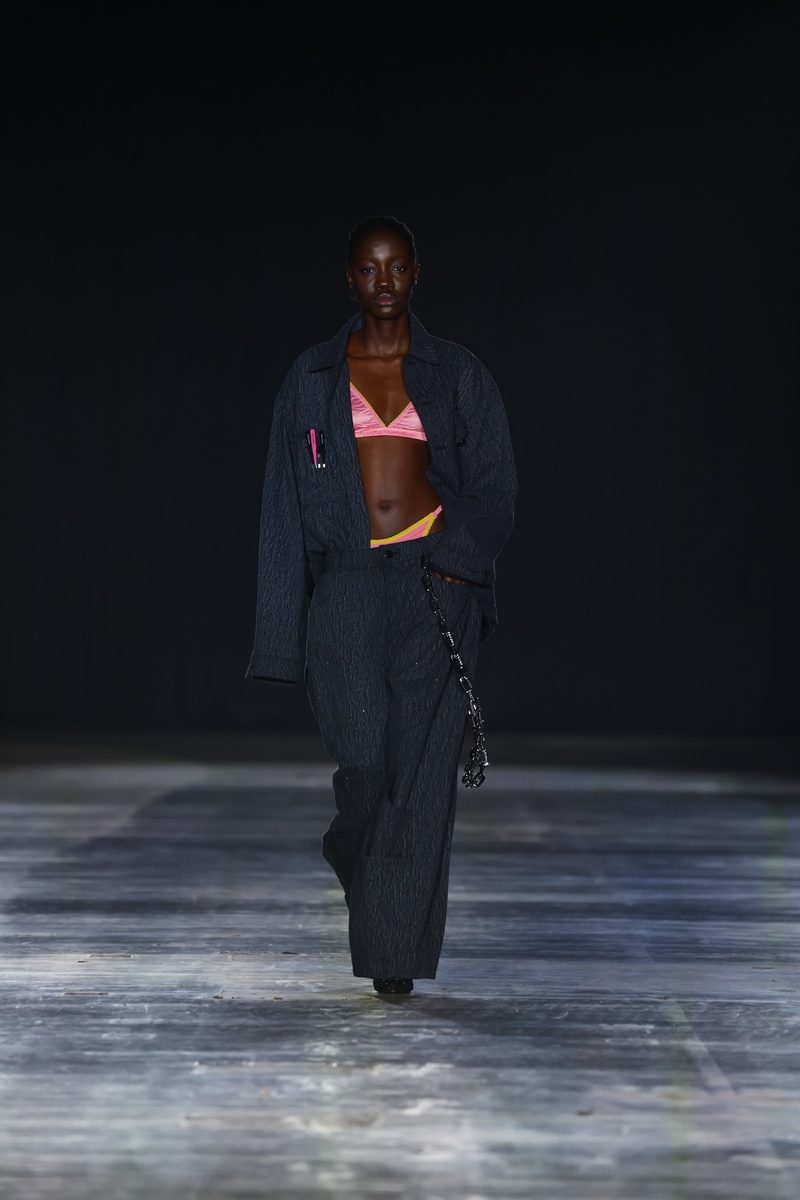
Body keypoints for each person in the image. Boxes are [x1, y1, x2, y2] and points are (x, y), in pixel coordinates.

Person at [245, 215, 518, 995]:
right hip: (348, 588)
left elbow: (496, 487)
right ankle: (356, 857)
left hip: (435, 586)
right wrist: (280, 635)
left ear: (416, 274)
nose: (385, 281)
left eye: (397, 266)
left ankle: (393, 961)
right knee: (366, 764)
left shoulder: (458, 374)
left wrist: (458, 568)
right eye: (370, 268)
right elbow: (282, 509)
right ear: (350, 279)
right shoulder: (312, 377)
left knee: (421, 781)